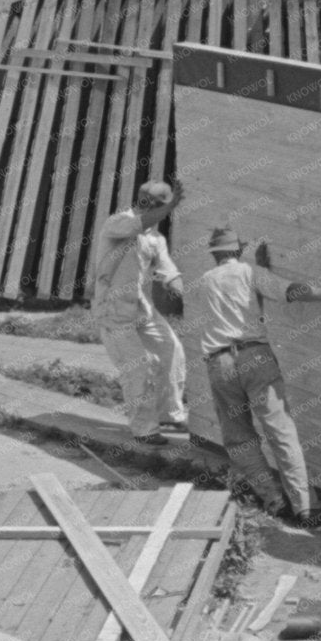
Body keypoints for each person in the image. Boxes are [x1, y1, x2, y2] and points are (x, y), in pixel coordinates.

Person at [186, 227, 321, 524]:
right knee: (281, 433)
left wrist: (260, 271)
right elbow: (291, 291)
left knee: (239, 438)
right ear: (239, 250)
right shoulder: (250, 273)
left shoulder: (204, 281)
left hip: (219, 363)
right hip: (255, 358)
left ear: (214, 254)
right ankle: (305, 508)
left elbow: (238, 303)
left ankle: (274, 500)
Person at [94, 182, 190, 445]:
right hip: (113, 311)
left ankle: (171, 417)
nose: (155, 210)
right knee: (136, 369)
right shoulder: (117, 222)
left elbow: (168, 271)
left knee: (172, 350)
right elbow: (136, 224)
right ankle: (144, 430)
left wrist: (185, 293)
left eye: (160, 206)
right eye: (153, 204)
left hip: (141, 308)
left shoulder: (156, 239)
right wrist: (169, 207)